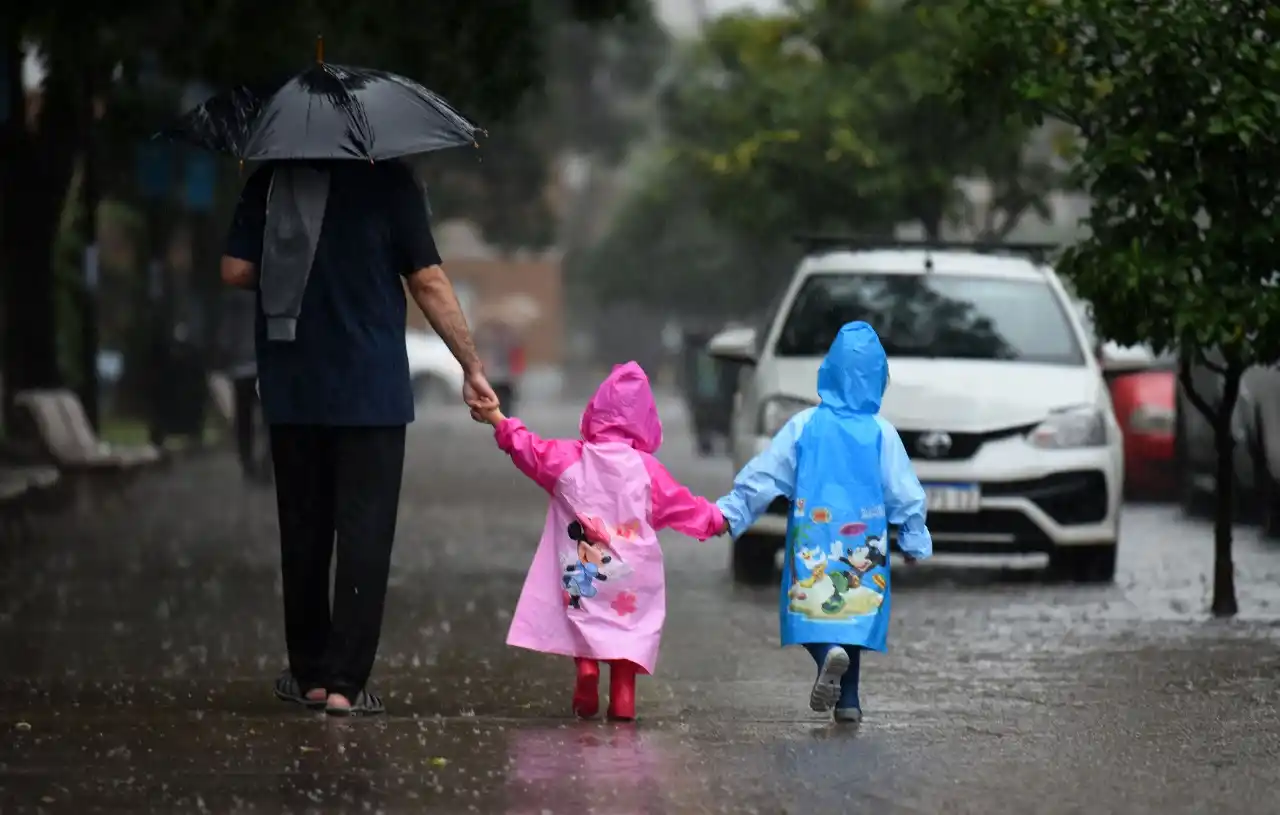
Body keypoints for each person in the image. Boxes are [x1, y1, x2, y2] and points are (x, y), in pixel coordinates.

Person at [220, 159, 498, 717]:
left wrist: (296, 262)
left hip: (294, 382)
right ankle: (346, 684)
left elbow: (234, 270)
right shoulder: (391, 182)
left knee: (302, 532)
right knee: (364, 536)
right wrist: (470, 364)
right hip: (369, 389)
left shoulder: (271, 180)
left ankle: (310, 676)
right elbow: (427, 279)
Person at [478, 362, 725, 721]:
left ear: (595, 410)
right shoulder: (647, 470)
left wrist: (499, 418)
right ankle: (623, 696)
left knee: (583, 612)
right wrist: (715, 520)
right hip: (632, 575)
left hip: (585, 568)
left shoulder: (570, 459)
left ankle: (587, 668)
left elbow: (528, 449)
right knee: (629, 632)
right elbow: (681, 504)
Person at [715, 321, 932, 724]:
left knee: (810, 607)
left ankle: (822, 656)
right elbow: (905, 489)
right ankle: (849, 703)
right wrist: (914, 536)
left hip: (813, 538)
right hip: (865, 543)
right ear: (879, 378)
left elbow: (765, 473)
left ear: (828, 371)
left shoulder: (804, 426)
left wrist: (733, 511)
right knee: (854, 613)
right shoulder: (881, 433)